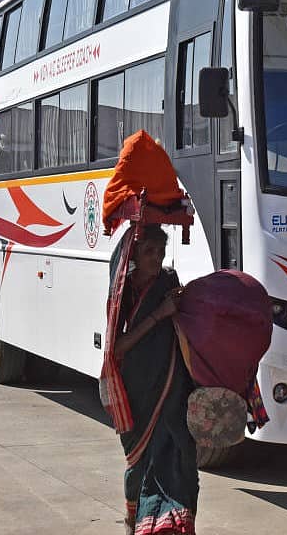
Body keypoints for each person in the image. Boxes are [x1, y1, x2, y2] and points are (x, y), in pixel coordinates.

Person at [111, 224, 198, 535]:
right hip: (138, 388)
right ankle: (134, 522)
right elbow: (117, 347)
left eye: (161, 251)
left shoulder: (168, 280)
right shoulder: (125, 292)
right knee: (138, 463)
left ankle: (177, 525)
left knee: (180, 455)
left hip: (173, 385)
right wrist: (159, 314)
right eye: (149, 251)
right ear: (134, 253)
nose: (156, 258)